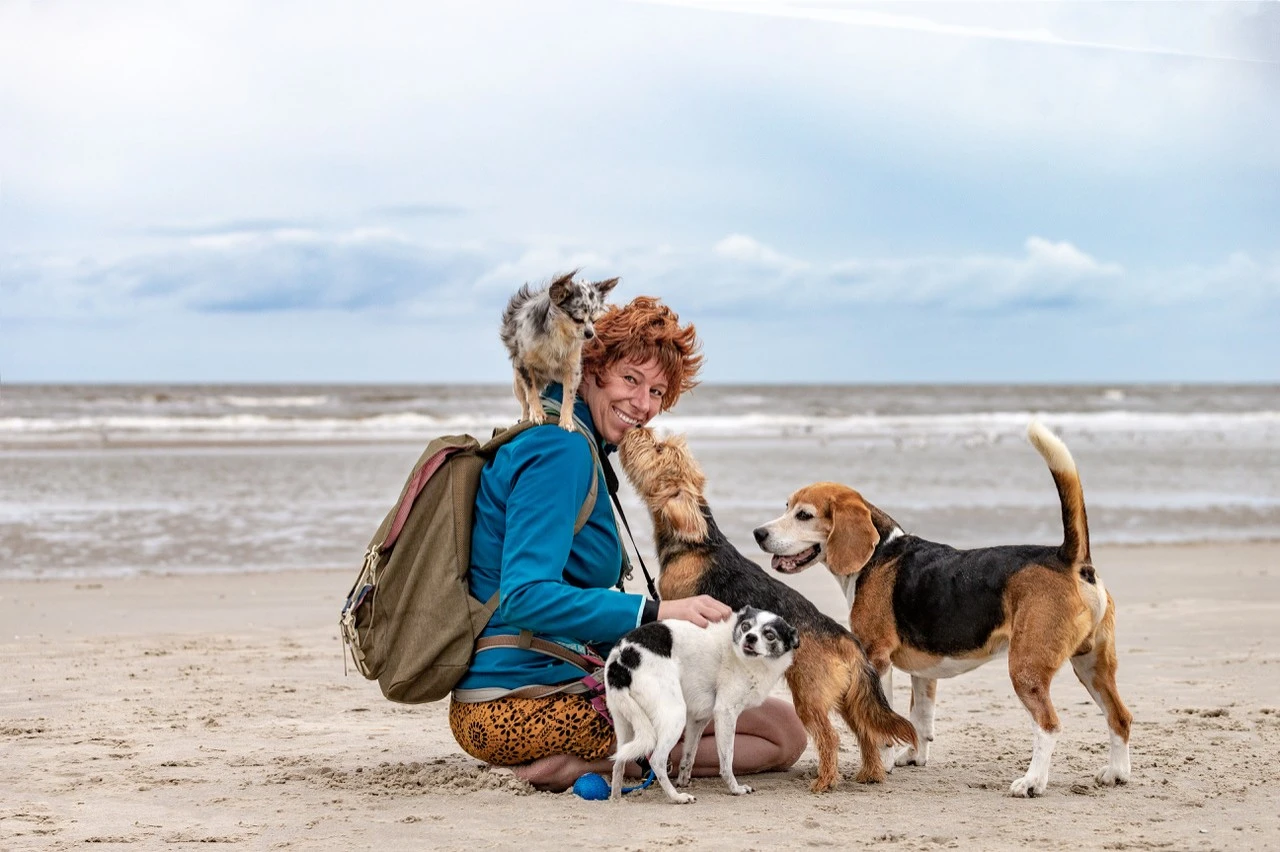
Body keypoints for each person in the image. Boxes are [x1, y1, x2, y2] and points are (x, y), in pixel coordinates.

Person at [449, 295, 807, 792]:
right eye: (631, 380)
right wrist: (657, 613)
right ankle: (587, 765)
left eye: (658, 391)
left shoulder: (569, 440)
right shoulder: (560, 449)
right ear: (590, 369)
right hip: (514, 702)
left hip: (536, 679)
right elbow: (525, 596)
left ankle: (621, 758)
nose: (644, 405)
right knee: (780, 736)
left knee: (774, 725)